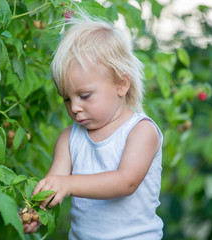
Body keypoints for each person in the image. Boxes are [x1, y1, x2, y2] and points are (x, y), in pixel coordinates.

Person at [22, 17, 164, 239]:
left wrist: (68, 183)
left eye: (84, 96)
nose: (75, 107)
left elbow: (126, 182)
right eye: (66, 99)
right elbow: (54, 185)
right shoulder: (69, 138)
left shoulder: (141, 131)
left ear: (122, 84)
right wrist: (36, 212)